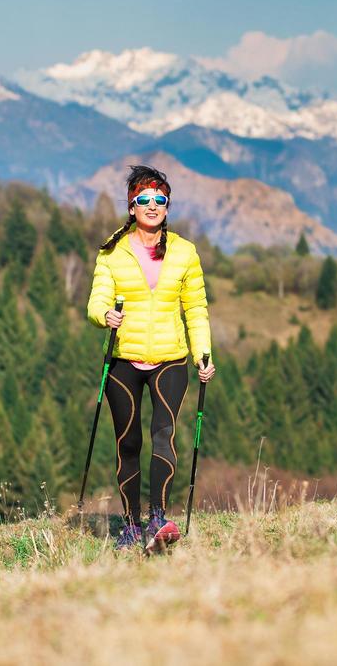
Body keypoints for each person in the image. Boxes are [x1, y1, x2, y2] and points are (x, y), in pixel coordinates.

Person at [87, 164, 216, 552]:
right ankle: (130, 525)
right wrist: (103, 315)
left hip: (170, 360)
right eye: (144, 199)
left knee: (163, 434)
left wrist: (203, 354)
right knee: (128, 442)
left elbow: (196, 308)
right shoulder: (111, 252)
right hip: (124, 360)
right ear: (131, 207)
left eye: (160, 199)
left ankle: (158, 519)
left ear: (167, 206)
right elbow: (97, 298)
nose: (152, 205)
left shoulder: (185, 253)